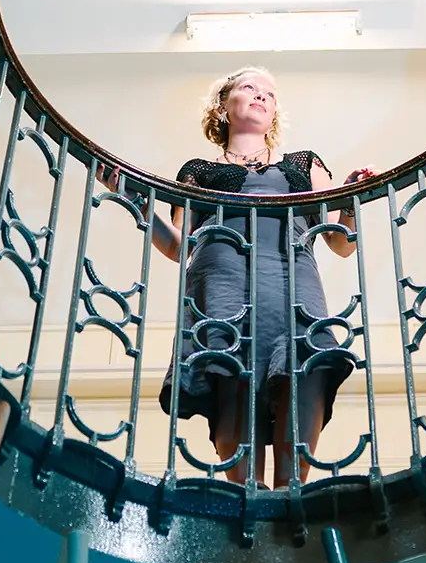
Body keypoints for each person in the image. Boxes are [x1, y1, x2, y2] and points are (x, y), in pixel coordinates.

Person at [98, 66, 373, 489]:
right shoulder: (198, 169)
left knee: (307, 362)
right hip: (220, 280)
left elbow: (340, 240)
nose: (262, 96)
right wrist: (134, 199)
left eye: (270, 93)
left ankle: (290, 492)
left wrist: (352, 198)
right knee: (229, 367)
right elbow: (178, 244)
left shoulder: (304, 163)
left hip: (291, 280)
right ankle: (247, 495)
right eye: (249, 88)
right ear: (224, 106)